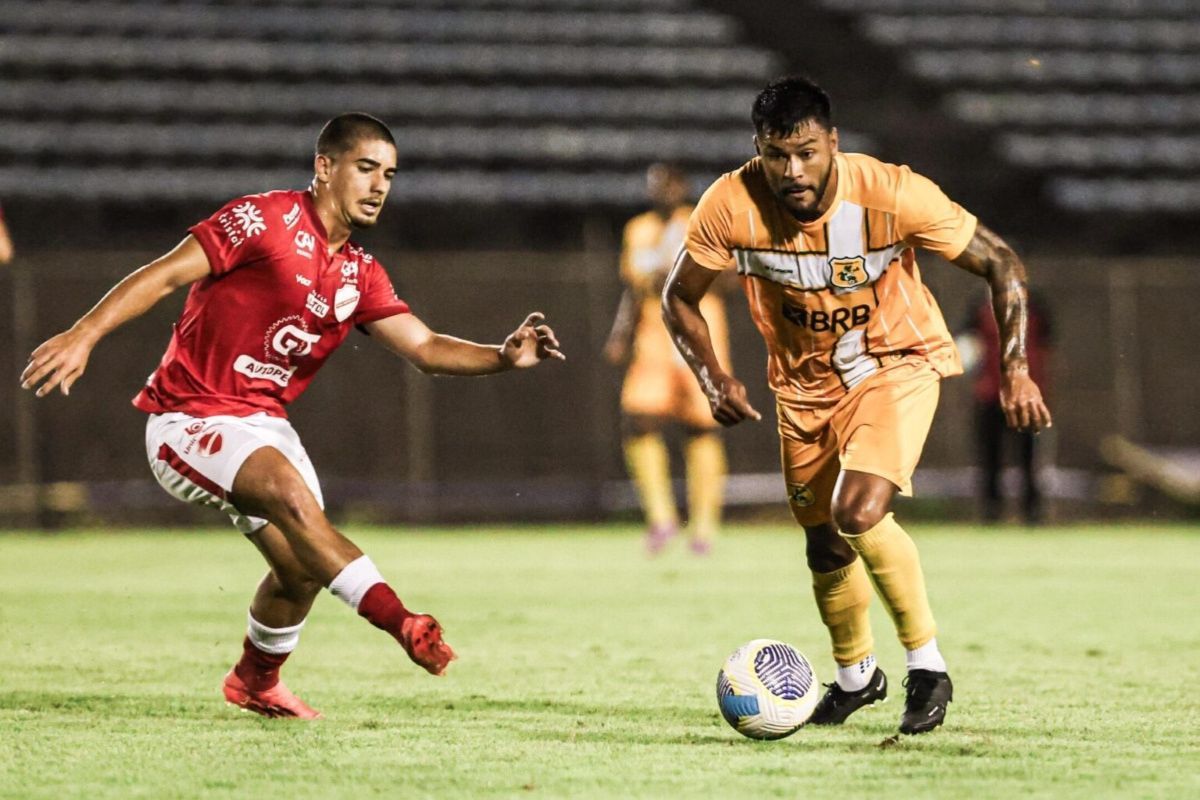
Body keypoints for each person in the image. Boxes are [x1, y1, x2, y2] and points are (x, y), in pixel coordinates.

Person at [20, 113, 564, 719]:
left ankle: (255, 680)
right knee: (289, 495)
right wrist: (84, 333)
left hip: (263, 424)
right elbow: (167, 273)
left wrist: (501, 356)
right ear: (324, 167)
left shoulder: (359, 272)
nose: (380, 185)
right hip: (188, 418)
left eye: (389, 174)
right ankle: (401, 620)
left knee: (302, 568)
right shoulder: (264, 219)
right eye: (365, 168)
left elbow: (425, 347)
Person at [662, 77, 1051, 735]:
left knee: (857, 509)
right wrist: (712, 376)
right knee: (821, 542)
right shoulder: (730, 203)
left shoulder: (891, 193)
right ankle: (855, 677)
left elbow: (1003, 263)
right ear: (758, 150)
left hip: (897, 362)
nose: (793, 171)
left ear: (832, 143)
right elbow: (678, 295)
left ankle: (927, 665)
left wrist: (1015, 368)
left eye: (807, 153)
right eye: (777, 155)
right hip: (802, 386)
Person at [603, 163, 729, 555]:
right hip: (653, 336)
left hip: (698, 332)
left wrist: (685, 273)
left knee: (702, 428)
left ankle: (704, 528)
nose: (661, 191)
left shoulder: (702, 222)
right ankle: (661, 519)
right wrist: (620, 333)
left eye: (668, 184)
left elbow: (729, 277)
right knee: (639, 420)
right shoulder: (638, 229)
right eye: (655, 185)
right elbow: (633, 286)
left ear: (683, 187)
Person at [959, 292, 1054, 524]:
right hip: (991, 395)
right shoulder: (979, 308)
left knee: (1029, 457)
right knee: (990, 457)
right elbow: (967, 346)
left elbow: (1047, 351)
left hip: (1026, 397)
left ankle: (1032, 513)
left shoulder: (1036, 308)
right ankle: (991, 512)